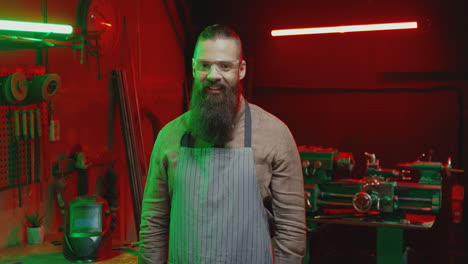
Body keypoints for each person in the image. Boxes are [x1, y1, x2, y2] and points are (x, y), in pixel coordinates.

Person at [139, 24, 306, 264]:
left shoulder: (275, 134)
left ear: (241, 70)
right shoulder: (170, 136)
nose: (214, 75)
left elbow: (291, 230)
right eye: (205, 65)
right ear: (194, 68)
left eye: (225, 66)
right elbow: (153, 222)